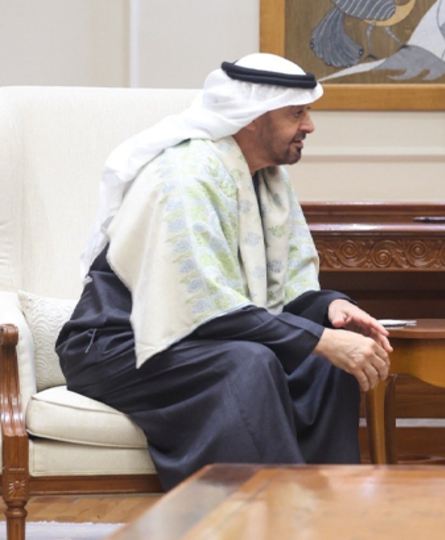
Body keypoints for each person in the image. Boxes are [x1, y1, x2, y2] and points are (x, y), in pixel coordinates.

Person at [56, 53, 392, 490]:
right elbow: (205, 305)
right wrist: (322, 341)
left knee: (328, 364)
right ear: (252, 117)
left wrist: (332, 310)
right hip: (118, 345)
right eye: (297, 113)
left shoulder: (266, 177)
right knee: (250, 362)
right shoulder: (185, 176)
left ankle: (323, 516)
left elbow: (280, 294)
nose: (309, 125)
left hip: (199, 339)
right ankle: (262, 520)